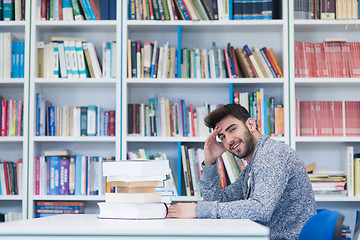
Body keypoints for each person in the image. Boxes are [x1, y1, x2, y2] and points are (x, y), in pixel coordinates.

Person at [167, 103, 316, 240]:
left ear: (250, 124)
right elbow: (219, 201)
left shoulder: (273, 154)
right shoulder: (255, 162)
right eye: (222, 137)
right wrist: (209, 162)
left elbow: (261, 209)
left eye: (232, 129)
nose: (229, 140)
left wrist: (199, 209)